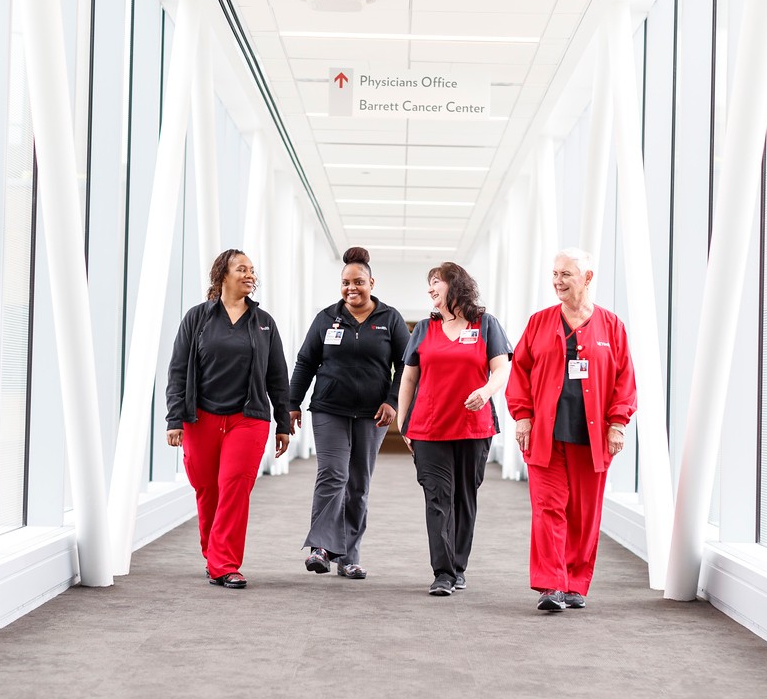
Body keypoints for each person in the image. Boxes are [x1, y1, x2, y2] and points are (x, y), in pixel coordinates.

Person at [505, 248, 636, 612]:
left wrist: (618, 423)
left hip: (592, 436)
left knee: (583, 512)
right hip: (545, 434)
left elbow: (625, 380)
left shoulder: (612, 327)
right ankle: (551, 584)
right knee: (548, 507)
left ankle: (576, 582)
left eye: (566, 274)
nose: (558, 281)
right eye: (555, 274)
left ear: (588, 278)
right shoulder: (539, 323)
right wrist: (522, 416)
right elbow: (520, 372)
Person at [165, 250, 291, 590]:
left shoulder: (263, 322)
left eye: (252, 270)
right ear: (223, 275)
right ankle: (213, 554)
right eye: (241, 269)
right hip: (200, 417)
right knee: (207, 488)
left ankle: (225, 563)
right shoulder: (197, 318)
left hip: (248, 418)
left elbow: (278, 377)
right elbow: (177, 371)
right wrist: (174, 417)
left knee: (235, 487)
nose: (250, 274)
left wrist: (283, 422)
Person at [289, 247, 410, 580]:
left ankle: (349, 556)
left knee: (358, 485)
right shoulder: (327, 318)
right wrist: (291, 403)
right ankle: (321, 548)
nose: (351, 288)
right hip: (329, 409)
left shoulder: (390, 318)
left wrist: (393, 400)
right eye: (345, 282)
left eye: (358, 281)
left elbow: (407, 365)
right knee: (333, 474)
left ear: (372, 282)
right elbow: (305, 362)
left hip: (373, 415)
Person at [396, 262, 512, 596]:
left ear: (455, 284)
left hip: (473, 428)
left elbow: (501, 369)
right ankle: (443, 573)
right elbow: (408, 378)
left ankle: (459, 566)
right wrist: (405, 424)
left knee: (464, 498)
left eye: (436, 282)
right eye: (428, 284)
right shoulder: (424, 329)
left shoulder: (486, 324)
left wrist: (486, 391)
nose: (430, 289)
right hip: (429, 428)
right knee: (437, 498)